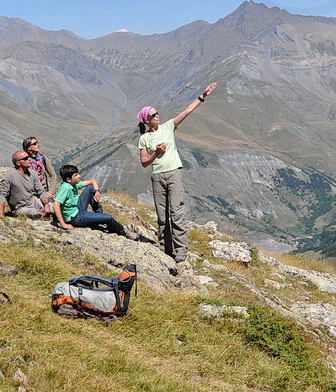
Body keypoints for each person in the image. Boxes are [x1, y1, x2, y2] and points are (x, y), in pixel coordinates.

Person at [137, 82, 219, 266]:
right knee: (162, 215)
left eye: (157, 113)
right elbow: (144, 163)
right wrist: (156, 153)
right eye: (153, 115)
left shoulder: (168, 127)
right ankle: (166, 248)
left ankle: (181, 249)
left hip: (174, 173)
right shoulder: (144, 139)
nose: (157, 116)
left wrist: (202, 95)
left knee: (176, 211)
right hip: (158, 176)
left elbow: (187, 112)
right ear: (146, 120)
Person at [52, 164, 135, 238]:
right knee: (109, 218)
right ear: (69, 179)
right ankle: (123, 232)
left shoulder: (73, 184)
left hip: (76, 209)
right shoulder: (66, 188)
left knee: (90, 188)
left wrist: (96, 191)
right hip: (75, 218)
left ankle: (99, 214)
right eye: (76, 175)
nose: (79, 176)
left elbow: (93, 181)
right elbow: (56, 205)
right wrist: (63, 224)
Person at [0, 151, 51, 217]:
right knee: (36, 213)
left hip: (33, 201)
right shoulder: (9, 175)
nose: (29, 159)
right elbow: (2, 195)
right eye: (25, 158)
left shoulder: (33, 173)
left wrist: (46, 205)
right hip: (20, 207)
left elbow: (41, 190)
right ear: (18, 163)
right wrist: (1, 216)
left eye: (28, 157)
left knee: (53, 208)